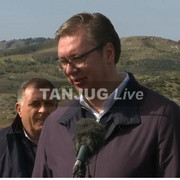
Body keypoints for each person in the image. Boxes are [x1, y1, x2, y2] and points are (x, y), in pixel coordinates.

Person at [32, 12, 180, 177]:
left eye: (77, 58)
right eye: (64, 62)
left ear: (109, 53)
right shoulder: (54, 125)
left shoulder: (163, 119)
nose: (69, 70)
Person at [0, 78, 58, 177]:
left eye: (48, 104)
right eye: (35, 104)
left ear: (56, 108)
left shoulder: (72, 144)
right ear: (19, 109)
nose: (43, 110)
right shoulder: (2, 144)